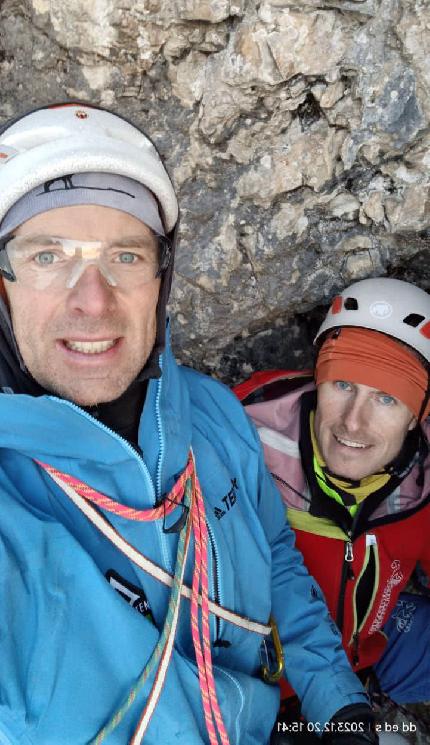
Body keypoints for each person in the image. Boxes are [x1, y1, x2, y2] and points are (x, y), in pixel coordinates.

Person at [0, 102, 376, 745]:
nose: (92, 299)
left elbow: (276, 559)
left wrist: (338, 705)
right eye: (47, 256)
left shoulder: (213, 414)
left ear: (162, 278)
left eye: (125, 256)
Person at [241, 277, 430, 729]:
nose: (352, 423)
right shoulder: (242, 444)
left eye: (386, 398)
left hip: (368, 650)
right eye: (342, 384)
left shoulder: (423, 478)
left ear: (417, 416)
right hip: (255, 688)